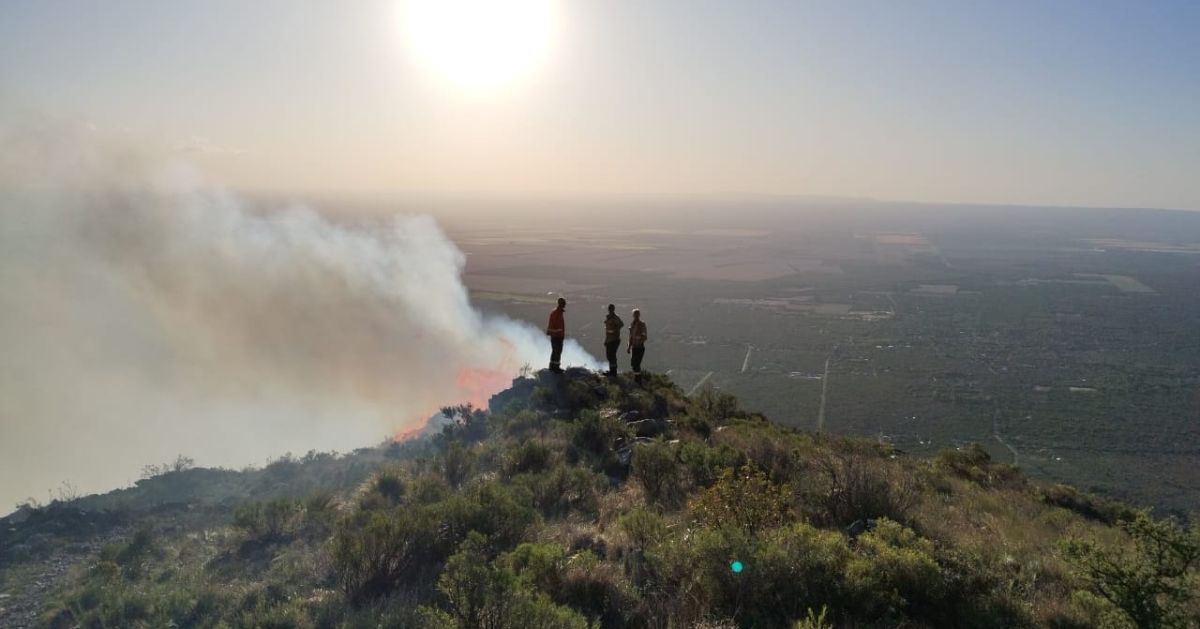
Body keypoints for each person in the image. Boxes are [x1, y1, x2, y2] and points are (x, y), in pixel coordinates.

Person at [545, 297, 567, 373]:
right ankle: (555, 367)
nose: (564, 305)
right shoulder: (556, 313)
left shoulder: (558, 312)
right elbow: (556, 326)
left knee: (556, 351)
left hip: (557, 336)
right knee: (556, 351)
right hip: (556, 336)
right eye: (563, 303)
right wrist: (558, 332)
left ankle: (554, 366)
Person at [603, 304, 624, 376]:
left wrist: (615, 330)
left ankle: (613, 372)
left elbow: (621, 324)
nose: (610, 310)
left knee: (612, 355)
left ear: (613, 309)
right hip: (609, 339)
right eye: (609, 308)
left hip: (614, 339)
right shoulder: (608, 317)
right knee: (609, 355)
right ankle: (611, 370)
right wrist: (606, 340)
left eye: (611, 308)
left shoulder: (615, 317)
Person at [628, 308, 648, 375]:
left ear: (639, 315)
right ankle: (636, 377)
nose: (635, 316)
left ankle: (638, 379)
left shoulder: (642, 324)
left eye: (637, 314)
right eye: (634, 314)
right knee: (633, 363)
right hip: (634, 347)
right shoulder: (632, 324)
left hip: (640, 347)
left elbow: (645, 336)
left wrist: (639, 340)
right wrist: (629, 347)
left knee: (637, 363)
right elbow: (630, 337)